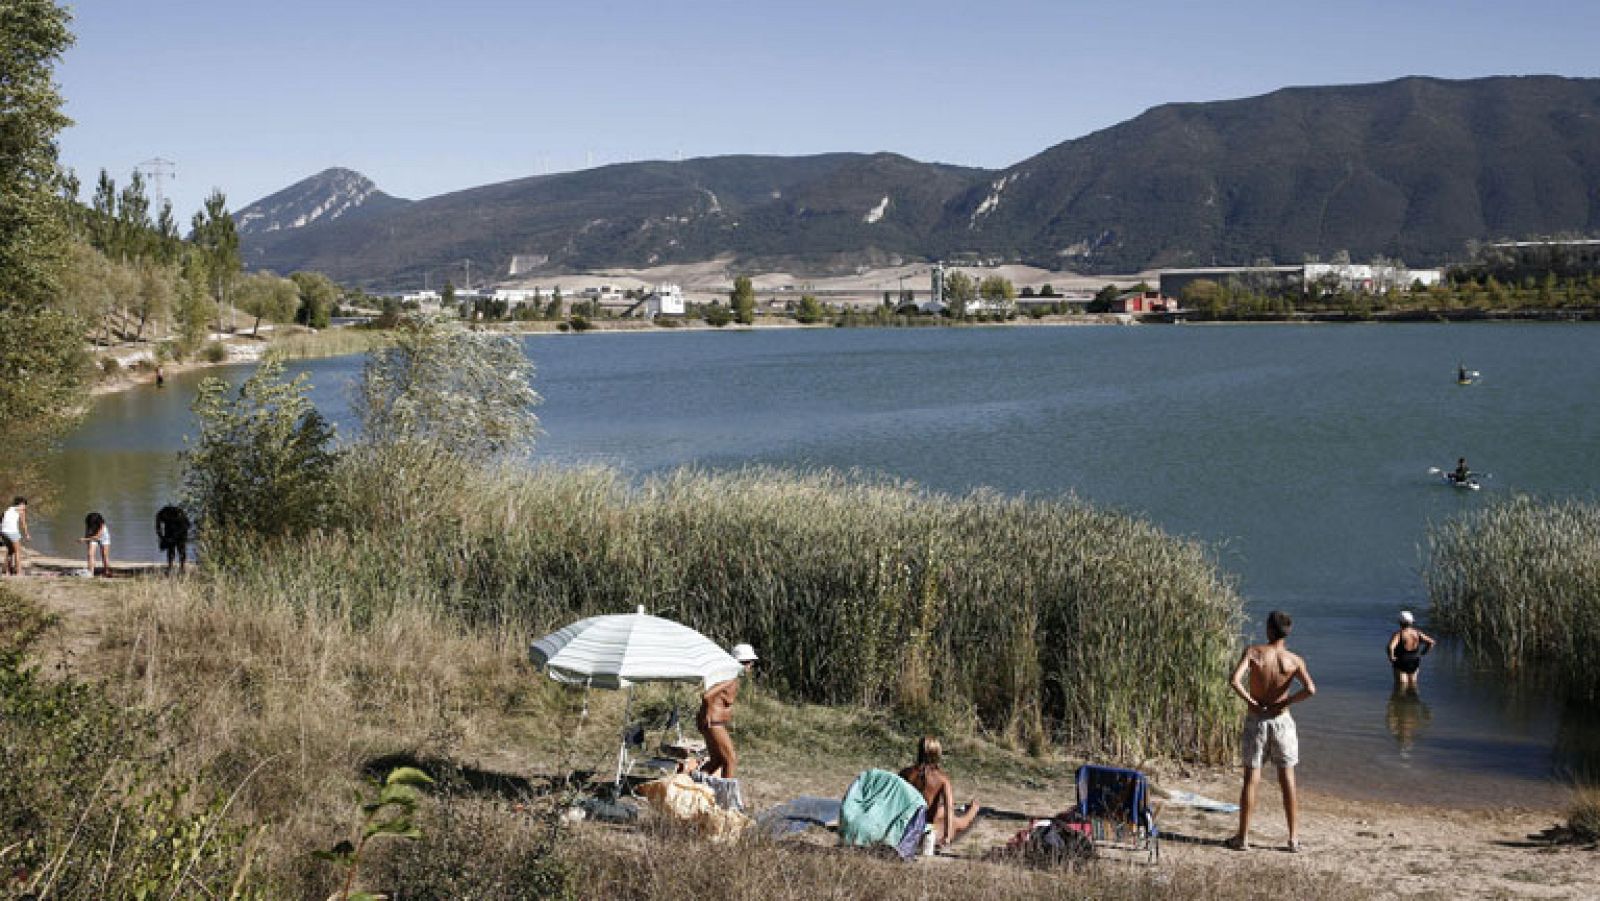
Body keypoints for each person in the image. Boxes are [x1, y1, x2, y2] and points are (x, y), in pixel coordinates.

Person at [1226, 610, 1316, 853]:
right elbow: (1310, 689)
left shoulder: (1254, 653)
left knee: (1251, 778)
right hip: (1282, 721)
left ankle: (1242, 837)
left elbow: (1235, 680)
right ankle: (1293, 839)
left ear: (1268, 629)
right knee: (1287, 778)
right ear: (1288, 632)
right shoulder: (1294, 660)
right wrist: (1286, 702)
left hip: (1257, 720)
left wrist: (1251, 701)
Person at [899, 736, 982, 848]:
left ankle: (965, 809)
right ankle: (973, 809)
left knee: (940, 810)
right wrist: (947, 837)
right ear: (937, 754)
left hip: (903, 826)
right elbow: (949, 809)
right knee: (957, 822)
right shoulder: (942, 779)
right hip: (923, 833)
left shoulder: (905, 773)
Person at [697, 643, 757, 778]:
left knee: (717, 761)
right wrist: (706, 714)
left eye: (750, 662)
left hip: (713, 722)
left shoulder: (728, 676)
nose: (750, 665)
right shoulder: (729, 678)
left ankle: (690, 784)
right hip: (714, 723)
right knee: (730, 759)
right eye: (746, 662)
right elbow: (706, 695)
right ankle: (725, 796)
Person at [1387, 611, 1436, 690]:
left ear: (1400, 622)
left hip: (1402, 660)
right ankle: (1413, 700)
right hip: (1415, 660)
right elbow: (1431, 642)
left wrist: (1391, 657)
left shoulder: (1399, 634)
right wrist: (1424, 652)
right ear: (1411, 622)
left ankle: (1401, 701)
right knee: (1413, 684)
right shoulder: (1417, 633)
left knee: (1401, 686)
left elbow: (1390, 647)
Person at [155, 504, 190, 575]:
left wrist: (168, 538)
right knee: (171, 549)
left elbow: (187, 525)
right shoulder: (161, 515)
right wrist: (162, 538)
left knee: (180, 549)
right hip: (172, 530)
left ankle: (181, 568)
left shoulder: (178, 515)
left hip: (181, 529)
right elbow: (158, 529)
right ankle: (172, 567)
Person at [1, 497, 29, 576]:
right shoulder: (21, 510)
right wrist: (27, 534)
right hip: (12, 532)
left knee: (10, 551)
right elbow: (23, 524)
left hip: (3, 532)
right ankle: (19, 572)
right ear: (21, 504)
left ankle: (7, 571)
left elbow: (1, 520)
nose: (25, 507)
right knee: (17, 552)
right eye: (24, 505)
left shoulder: (8, 509)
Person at [81, 511, 111, 577]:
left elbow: (97, 537)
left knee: (104, 555)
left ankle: (107, 572)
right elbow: (87, 532)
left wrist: (84, 539)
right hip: (92, 536)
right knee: (90, 554)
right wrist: (86, 539)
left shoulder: (102, 525)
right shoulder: (89, 523)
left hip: (104, 537)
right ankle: (90, 573)